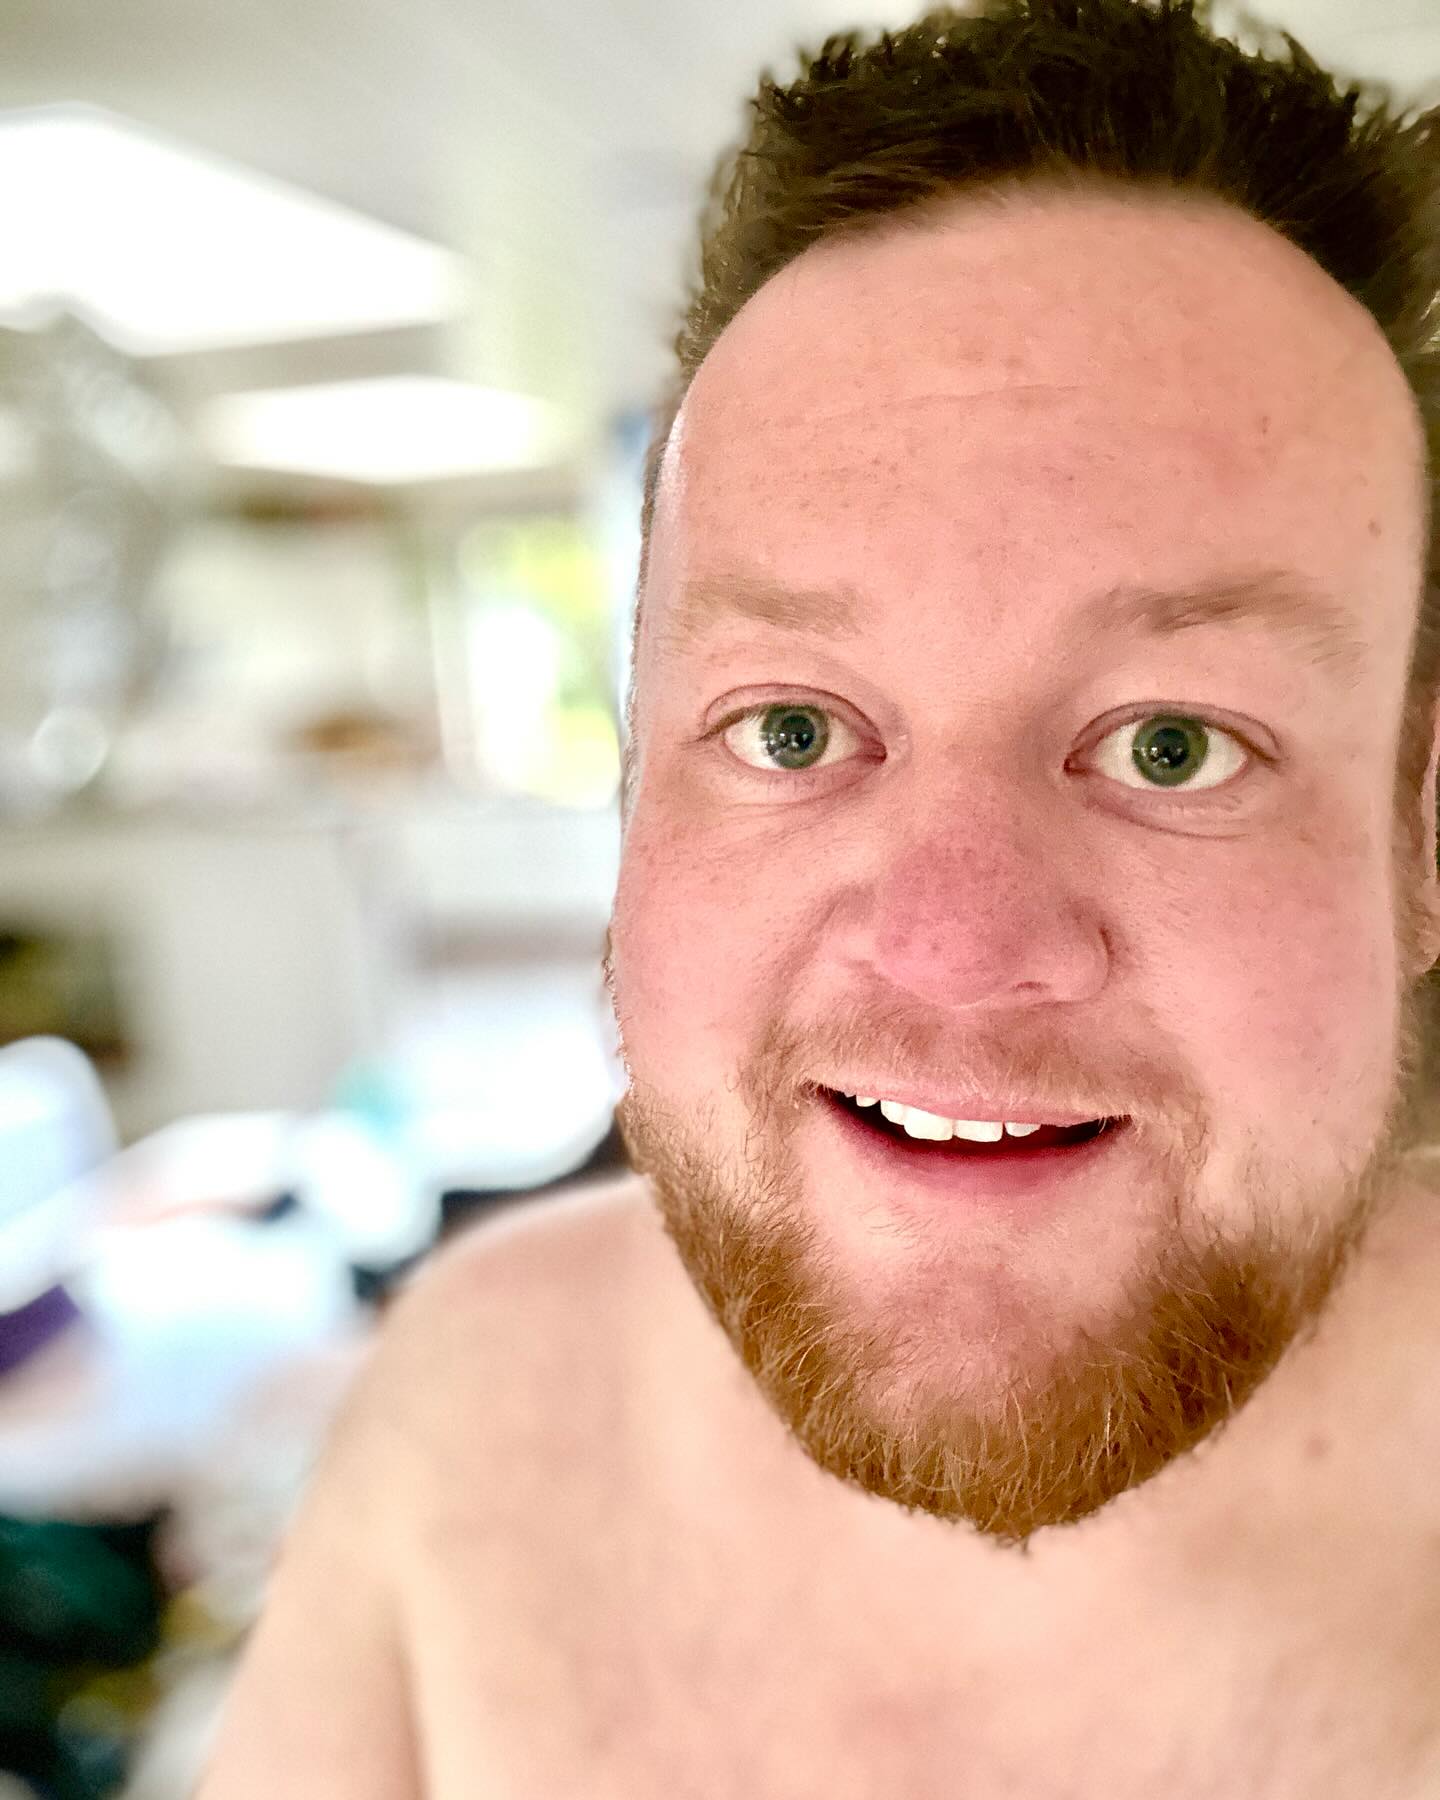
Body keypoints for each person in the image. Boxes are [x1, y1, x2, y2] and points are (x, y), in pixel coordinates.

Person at [196, 0, 1440, 1792]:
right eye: (789, 727)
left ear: (1419, 834)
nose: (953, 947)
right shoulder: (469, 1405)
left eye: (1174, 744)